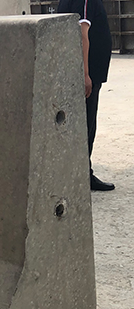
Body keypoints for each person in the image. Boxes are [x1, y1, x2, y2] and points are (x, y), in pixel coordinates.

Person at [58, 0, 114, 191]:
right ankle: (83, 176)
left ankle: (79, 174)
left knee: (81, 125)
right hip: (87, 76)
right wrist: (85, 74)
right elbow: (82, 34)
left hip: (83, 73)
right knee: (85, 126)